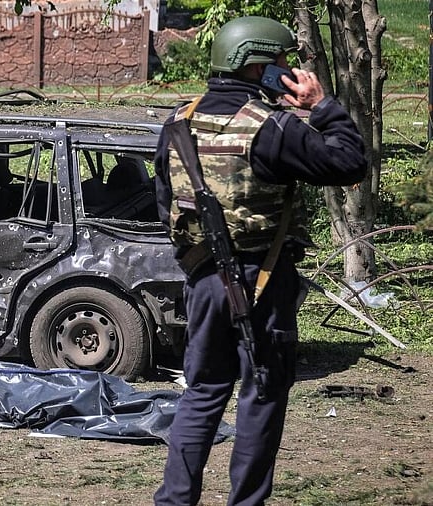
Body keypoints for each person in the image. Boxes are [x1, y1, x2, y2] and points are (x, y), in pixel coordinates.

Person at [152, 16, 367, 505]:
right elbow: (349, 163)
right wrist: (323, 106)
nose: (288, 69)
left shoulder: (178, 121)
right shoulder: (270, 128)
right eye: (281, 62)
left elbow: (163, 202)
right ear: (257, 65)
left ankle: (175, 500)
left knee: (202, 392)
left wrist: (196, 264)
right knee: (262, 395)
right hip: (263, 280)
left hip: (203, 279)